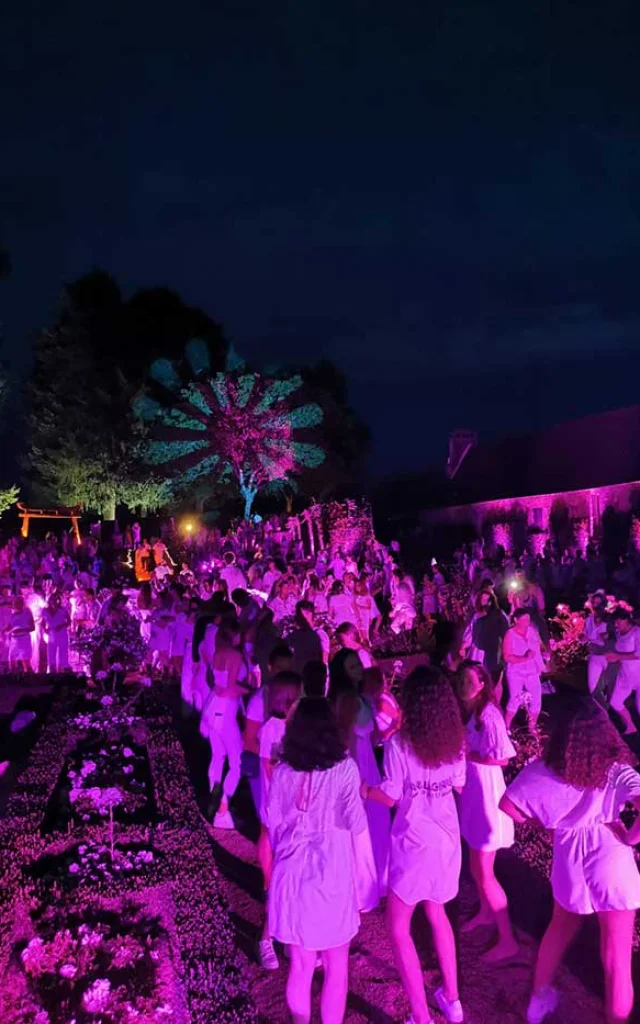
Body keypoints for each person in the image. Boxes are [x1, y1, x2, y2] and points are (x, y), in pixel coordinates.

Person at [501, 695, 640, 1024]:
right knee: (617, 958)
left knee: (559, 927)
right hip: (611, 855)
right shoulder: (616, 769)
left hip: (569, 856)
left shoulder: (542, 770)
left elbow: (508, 807)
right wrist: (632, 836)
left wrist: (547, 824)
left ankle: (537, 1002)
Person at [362, 666, 466, 1024]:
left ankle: (422, 1016)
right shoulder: (455, 742)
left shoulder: (399, 744)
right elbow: (460, 784)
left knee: (397, 928)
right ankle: (452, 1001)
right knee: (438, 914)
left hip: (413, 843)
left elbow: (390, 797)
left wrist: (364, 789)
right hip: (448, 842)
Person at [267, 697, 367, 1024]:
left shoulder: (282, 771)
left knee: (300, 965)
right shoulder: (345, 769)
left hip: (292, 874)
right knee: (337, 966)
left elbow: (273, 820)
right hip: (331, 876)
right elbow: (357, 824)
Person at [453, 661, 518, 961]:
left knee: (485, 872)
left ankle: (508, 939)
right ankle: (485, 913)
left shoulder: (490, 715)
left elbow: (503, 758)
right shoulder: (474, 713)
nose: (464, 685)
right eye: (461, 680)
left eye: (469, 680)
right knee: (474, 865)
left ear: (482, 683)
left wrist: (472, 755)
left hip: (487, 800)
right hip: (474, 795)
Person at [256, 670, 303, 970]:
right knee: (283, 877)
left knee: (294, 875)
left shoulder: (289, 726)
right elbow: (274, 769)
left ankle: (287, 935)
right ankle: (266, 937)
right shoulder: (273, 730)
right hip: (280, 812)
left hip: (292, 812)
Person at [201, 618, 253, 828]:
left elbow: (217, 683)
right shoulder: (235, 655)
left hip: (211, 707)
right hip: (225, 710)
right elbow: (229, 687)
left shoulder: (217, 653)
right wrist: (251, 691)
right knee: (237, 762)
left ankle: (214, 794)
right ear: (234, 635)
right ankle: (222, 808)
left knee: (217, 756)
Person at [503, 609, 545, 730]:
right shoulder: (510, 634)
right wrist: (524, 658)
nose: (527, 622)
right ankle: (507, 727)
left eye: (528, 619)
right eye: (524, 619)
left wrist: (541, 666)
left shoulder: (531, 632)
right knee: (515, 700)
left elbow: (537, 649)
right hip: (516, 672)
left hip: (532, 672)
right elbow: (507, 656)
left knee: (536, 700)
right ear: (516, 620)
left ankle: (532, 728)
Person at [607, 608, 640, 735]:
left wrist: (617, 656)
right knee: (615, 701)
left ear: (626, 620)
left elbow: (638, 654)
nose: (616, 625)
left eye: (618, 622)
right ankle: (631, 726)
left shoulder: (637, 633)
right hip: (625, 676)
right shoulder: (618, 633)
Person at [584, 591, 610, 698]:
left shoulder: (610, 621)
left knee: (610, 688)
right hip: (594, 657)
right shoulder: (588, 620)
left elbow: (610, 641)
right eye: (594, 603)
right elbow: (585, 637)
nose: (596, 606)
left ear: (604, 605)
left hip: (608, 657)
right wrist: (583, 638)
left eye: (599, 603)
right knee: (592, 688)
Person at [287, 600, 323, 676]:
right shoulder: (293, 635)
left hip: (312, 676)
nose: (297, 617)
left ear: (309, 613)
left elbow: (323, 659)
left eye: (300, 614)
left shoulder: (319, 634)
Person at [42, 591, 70, 674]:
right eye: (52, 600)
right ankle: (52, 671)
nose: (54, 601)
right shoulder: (45, 611)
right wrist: (45, 629)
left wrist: (62, 626)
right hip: (51, 633)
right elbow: (43, 622)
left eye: (56, 599)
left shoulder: (63, 610)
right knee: (51, 652)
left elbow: (69, 621)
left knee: (63, 652)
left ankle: (62, 672)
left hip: (62, 633)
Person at [7, 596, 35, 673]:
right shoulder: (12, 614)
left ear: (22, 603)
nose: (15, 604)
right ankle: (14, 680)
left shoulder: (27, 612)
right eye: (15, 602)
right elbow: (9, 627)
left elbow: (32, 628)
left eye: (18, 602)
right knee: (11, 661)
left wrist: (20, 630)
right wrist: (4, 631)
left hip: (24, 639)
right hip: (14, 640)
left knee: (26, 662)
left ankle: (30, 680)